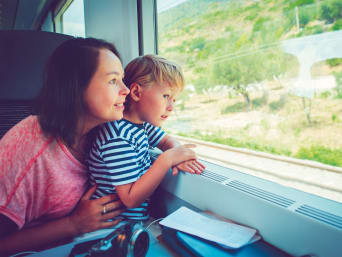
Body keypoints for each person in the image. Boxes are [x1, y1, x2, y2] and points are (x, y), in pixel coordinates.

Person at [0, 37, 129, 256]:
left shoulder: (105, 134)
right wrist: (74, 224)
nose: (125, 90)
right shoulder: (31, 148)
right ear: (77, 87)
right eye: (113, 80)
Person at [87, 55, 205, 222]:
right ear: (136, 92)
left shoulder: (141, 124)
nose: (171, 107)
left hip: (133, 221)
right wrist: (167, 159)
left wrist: (177, 154)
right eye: (166, 96)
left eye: (174, 100)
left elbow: (166, 141)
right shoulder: (118, 137)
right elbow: (130, 199)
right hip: (111, 226)